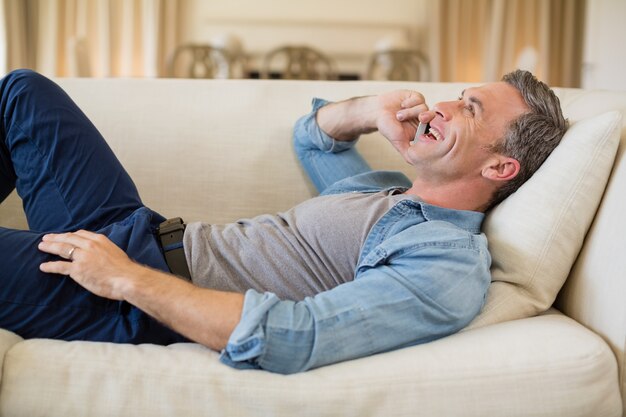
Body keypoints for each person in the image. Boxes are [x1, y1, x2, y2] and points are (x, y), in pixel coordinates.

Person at [0, 69, 567, 374]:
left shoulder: (445, 260)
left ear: (500, 165)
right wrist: (371, 111)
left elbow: (295, 334)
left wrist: (126, 279)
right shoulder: (384, 191)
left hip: (126, 296)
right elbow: (314, 135)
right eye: (459, 95)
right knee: (23, 91)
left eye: (471, 110)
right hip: (132, 227)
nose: (442, 106)